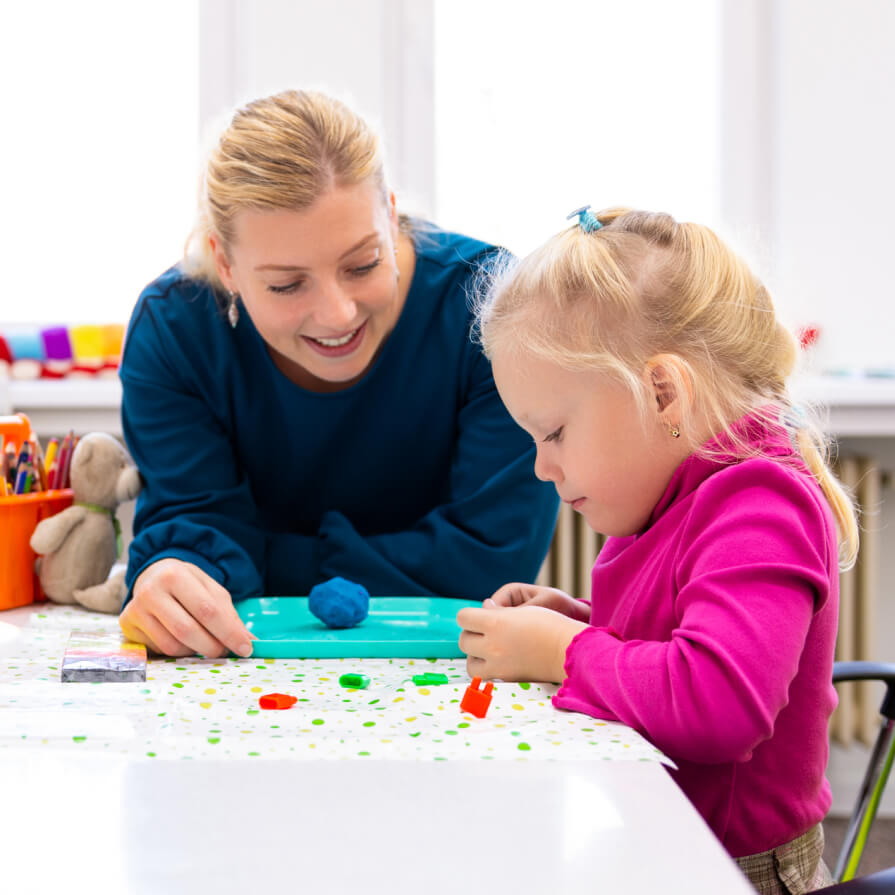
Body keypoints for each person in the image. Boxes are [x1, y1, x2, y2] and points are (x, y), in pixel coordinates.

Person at [457, 206, 859, 894]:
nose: (539, 468)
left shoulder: (760, 503)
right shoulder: (676, 491)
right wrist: (581, 620)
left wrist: (561, 650)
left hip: (736, 872)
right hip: (666, 841)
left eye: (552, 432)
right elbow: (678, 637)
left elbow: (716, 701)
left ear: (662, 392)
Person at [117, 89, 558, 661]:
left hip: (453, 666)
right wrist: (173, 577)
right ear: (224, 264)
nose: (338, 314)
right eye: (286, 284)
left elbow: (490, 562)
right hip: (246, 673)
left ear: (392, 214)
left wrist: (257, 560)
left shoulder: (494, 307)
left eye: (363, 263)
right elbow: (192, 531)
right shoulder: (174, 331)